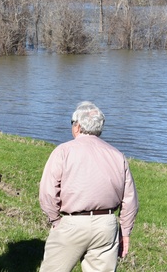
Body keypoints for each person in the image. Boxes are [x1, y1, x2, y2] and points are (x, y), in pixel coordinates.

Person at [38, 101, 139, 272]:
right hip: (107, 224)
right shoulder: (117, 155)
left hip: (72, 223)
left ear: (77, 126)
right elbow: (130, 200)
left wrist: (55, 220)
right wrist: (125, 231)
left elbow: (48, 193)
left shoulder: (63, 151)